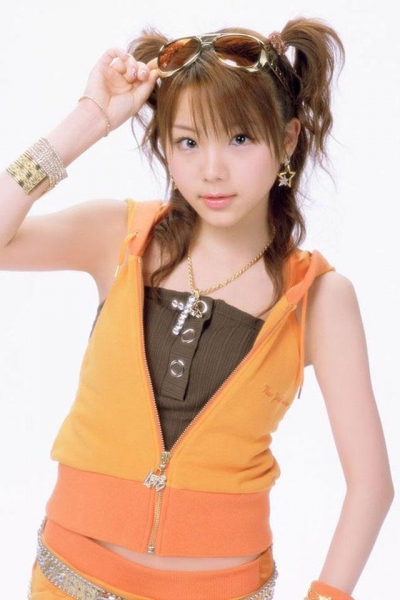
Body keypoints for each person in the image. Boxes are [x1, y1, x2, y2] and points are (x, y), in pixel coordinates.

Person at [0, 17, 394, 600]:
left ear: (287, 140)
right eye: (188, 141)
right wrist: (89, 119)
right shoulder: (119, 238)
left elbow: (371, 486)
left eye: (240, 138)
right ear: (165, 145)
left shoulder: (319, 297)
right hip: (68, 580)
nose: (212, 169)